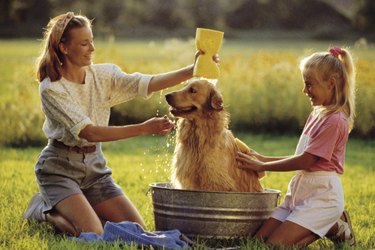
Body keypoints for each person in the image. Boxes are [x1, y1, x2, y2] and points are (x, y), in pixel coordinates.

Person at [23, 12, 218, 236]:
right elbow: (90, 132)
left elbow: (148, 83)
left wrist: (193, 69)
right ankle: (43, 210)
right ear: (64, 48)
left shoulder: (103, 75)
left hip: (95, 169)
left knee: (137, 230)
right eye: (85, 43)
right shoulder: (52, 88)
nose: (92, 49)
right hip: (60, 169)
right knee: (92, 232)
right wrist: (144, 128)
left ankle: (79, 203)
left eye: (92, 41)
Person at [236, 47, 356, 247]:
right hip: (300, 192)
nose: (304, 90)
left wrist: (262, 166)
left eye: (309, 85)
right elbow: (302, 156)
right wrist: (262, 159)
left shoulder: (335, 121)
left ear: (331, 84)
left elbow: (306, 161)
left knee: (275, 246)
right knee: (255, 242)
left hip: (322, 196)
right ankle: (327, 222)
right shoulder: (317, 113)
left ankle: (333, 225)